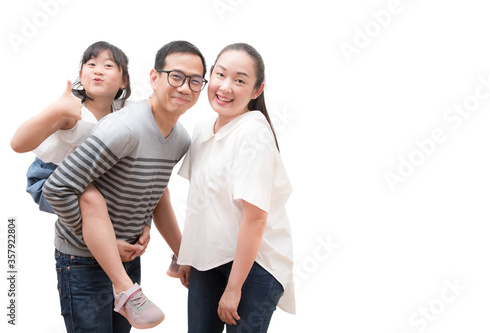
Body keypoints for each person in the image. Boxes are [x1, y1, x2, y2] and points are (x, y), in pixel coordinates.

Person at [41, 40, 207, 333]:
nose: (184, 88)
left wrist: (179, 252)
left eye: (195, 81)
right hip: (81, 260)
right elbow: (58, 187)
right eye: (176, 76)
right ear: (155, 78)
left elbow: (156, 194)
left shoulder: (180, 139)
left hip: (127, 259)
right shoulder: (125, 128)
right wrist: (103, 244)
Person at [11, 41, 167, 328]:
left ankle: (124, 286)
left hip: (95, 185)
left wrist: (145, 223)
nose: (98, 70)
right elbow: (18, 143)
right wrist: (55, 108)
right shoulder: (73, 112)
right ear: (80, 75)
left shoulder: (127, 115)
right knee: (90, 197)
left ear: (124, 81)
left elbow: (144, 173)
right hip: (53, 177)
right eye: (91, 64)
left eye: (108, 66)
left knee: (99, 195)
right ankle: (125, 287)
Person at [177, 43, 295, 333]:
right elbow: (199, 202)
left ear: (257, 90)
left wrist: (233, 288)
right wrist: (186, 256)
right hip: (211, 258)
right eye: (220, 75)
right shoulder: (203, 128)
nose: (225, 87)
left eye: (240, 80)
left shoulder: (253, 133)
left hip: (254, 265)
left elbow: (256, 218)